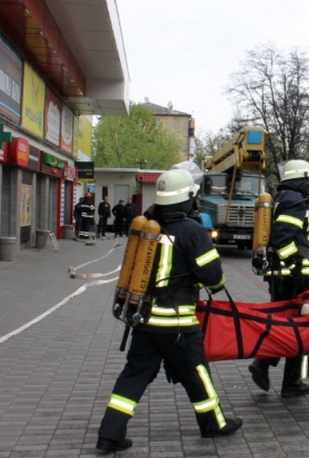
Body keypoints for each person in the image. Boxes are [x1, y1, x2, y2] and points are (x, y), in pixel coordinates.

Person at [95, 168, 242, 452]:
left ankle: (109, 433)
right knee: (196, 372)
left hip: (144, 318)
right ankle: (214, 423)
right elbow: (213, 277)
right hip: (177, 323)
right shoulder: (193, 231)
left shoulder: (147, 226)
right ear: (188, 199)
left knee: (134, 374)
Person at [249, 159, 309, 399]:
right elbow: (283, 237)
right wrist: (294, 264)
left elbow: (297, 237)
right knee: (300, 330)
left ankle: (264, 364)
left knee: (284, 325)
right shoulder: (295, 201)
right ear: (302, 179)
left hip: (282, 276)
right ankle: (290, 382)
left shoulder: (285, 199)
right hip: (294, 278)